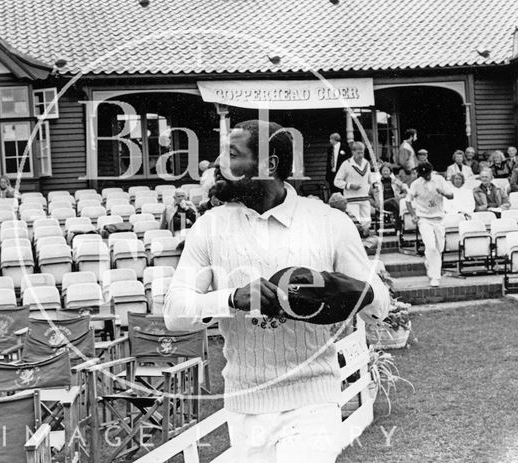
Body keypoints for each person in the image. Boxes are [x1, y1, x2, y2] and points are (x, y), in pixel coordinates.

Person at [164, 119, 389, 463]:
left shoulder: (327, 222)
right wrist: (231, 299)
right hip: (245, 404)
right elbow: (174, 314)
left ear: (268, 164)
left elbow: (380, 304)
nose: (218, 165)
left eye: (232, 155)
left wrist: (345, 291)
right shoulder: (209, 227)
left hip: (313, 399)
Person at [406, 162, 454, 287]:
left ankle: (429, 262)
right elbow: (408, 201)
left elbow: (451, 196)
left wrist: (442, 192)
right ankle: (435, 277)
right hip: (424, 219)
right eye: (423, 174)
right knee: (431, 246)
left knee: (439, 248)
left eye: (427, 174)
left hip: (438, 218)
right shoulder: (416, 184)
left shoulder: (439, 179)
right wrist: (413, 215)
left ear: (431, 171)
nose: (426, 176)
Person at [333, 141, 380, 229]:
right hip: (351, 200)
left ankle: (365, 241)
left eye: (362, 152)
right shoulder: (346, 164)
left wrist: (375, 181)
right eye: (358, 153)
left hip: (365, 198)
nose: (361, 155)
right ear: (353, 152)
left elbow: (369, 177)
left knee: (367, 223)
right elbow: (337, 181)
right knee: (355, 224)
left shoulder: (366, 163)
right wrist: (350, 185)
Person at [371, 163, 408, 229]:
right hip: (382, 204)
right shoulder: (375, 184)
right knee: (394, 200)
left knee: (395, 204)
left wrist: (400, 196)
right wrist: (375, 204)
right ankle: (402, 217)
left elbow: (406, 191)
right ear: (381, 172)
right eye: (384, 171)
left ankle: (398, 229)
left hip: (394, 204)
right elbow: (369, 196)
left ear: (390, 172)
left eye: (387, 171)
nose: (385, 172)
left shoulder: (396, 182)